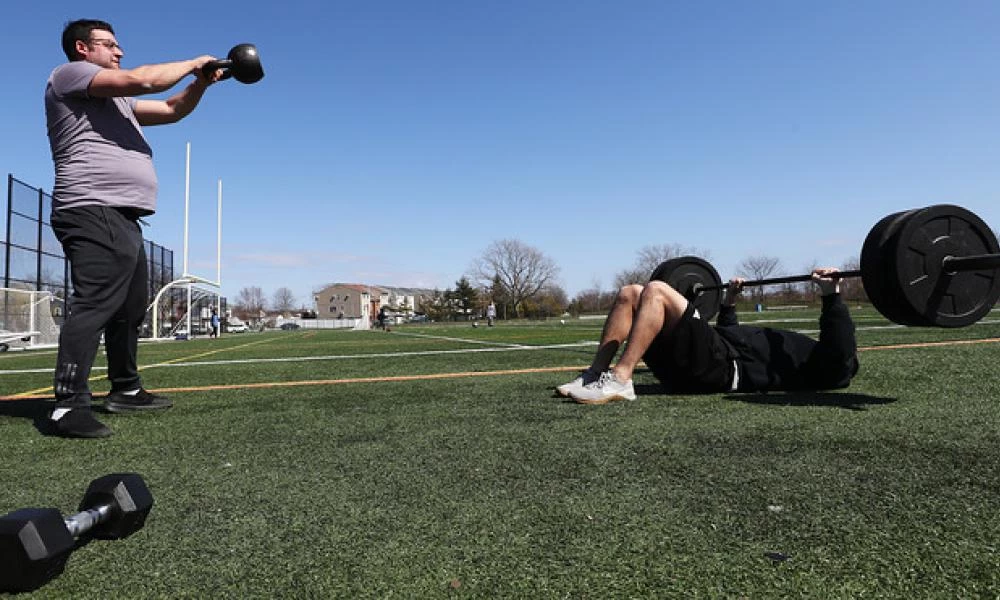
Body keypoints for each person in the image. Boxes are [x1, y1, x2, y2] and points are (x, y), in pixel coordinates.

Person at [45, 19, 222, 438]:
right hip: (91, 208)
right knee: (96, 303)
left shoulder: (116, 103)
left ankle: (125, 388)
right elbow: (143, 81)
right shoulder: (69, 75)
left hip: (122, 215)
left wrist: (201, 83)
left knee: (129, 308)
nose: (119, 51)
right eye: (109, 45)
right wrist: (194, 61)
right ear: (82, 49)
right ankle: (67, 404)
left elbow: (172, 109)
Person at [557, 269, 859, 404]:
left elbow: (841, 347)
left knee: (657, 290)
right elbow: (734, 336)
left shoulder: (830, 368)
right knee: (630, 294)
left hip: (717, 369)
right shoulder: (799, 354)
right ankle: (594, 375)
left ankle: (621, 379)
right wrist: (729, 301)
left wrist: (832, 296)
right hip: (706, 359)